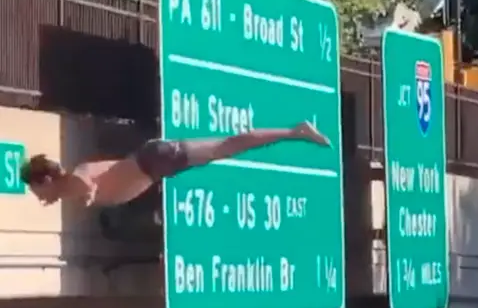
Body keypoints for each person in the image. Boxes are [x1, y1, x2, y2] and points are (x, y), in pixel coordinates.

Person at [20, 121, 331, 207]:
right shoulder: (69, 182)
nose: (40, 199)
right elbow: (79, 185)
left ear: (44, 180)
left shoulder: (75, 178)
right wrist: (63, 196)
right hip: (155, 163)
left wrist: (87, 194)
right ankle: (294, 132)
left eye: (37, 192)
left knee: (227, 147)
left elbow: (84, 183)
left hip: (153, 160)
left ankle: (295, 131)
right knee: (227, 147)